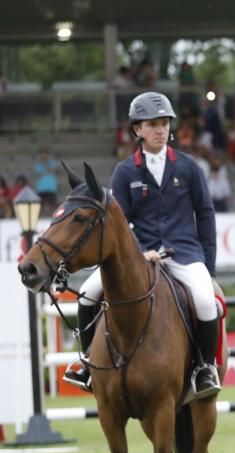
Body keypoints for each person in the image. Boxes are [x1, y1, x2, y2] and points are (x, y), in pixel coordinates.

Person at [63, 92, 221, 400]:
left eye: (164, 123)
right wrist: (138, 252)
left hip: (184, 254)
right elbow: (117, 224)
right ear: (138, 130)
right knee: (86, 296)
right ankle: (86, 364)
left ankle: (204, 367)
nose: (160, 130)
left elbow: (205, 215)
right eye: (152, 124)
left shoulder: (189, 168)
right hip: (139, 256)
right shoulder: (125, 172)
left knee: (204, 300)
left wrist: (209, 267)